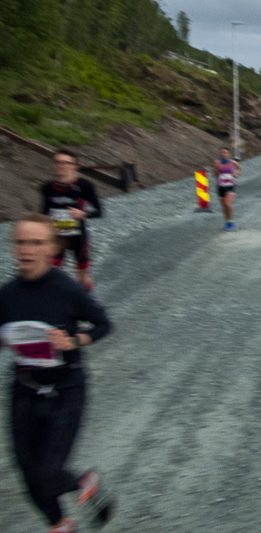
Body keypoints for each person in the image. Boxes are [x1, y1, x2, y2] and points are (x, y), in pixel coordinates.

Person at [0, 214, 114, 532]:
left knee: (48, 474)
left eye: (36, 242)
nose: (27, 249)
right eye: (21, 242)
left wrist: (73, 340)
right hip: (24, 389)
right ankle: (60, 524)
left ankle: (84, 480)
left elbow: (104, 324)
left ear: (52, 248)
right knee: (27, 473)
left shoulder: (66, 289)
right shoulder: (7, 295)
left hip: (66, 390)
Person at [40, 150, 102, 292]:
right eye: (57, 162)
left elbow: (99, 211)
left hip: (78, 238)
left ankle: (86, 305)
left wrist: (83, 214)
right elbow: (43, 212)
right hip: (57, 238)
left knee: (82, 276)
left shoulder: (85, 186)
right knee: (52, 273)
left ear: (74, 166)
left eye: (65, 163)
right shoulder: (47, 188)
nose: (60, 166)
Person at [215, 148, 242, 231]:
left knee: (227, 204)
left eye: (226, 152)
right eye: (223, 152)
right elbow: (214, 174)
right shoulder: (217, 163)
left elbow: (240, 169)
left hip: (231, 185)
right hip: (220, 186)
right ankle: (227, 221)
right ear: (221, 153)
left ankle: (231, 221)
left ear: (228, 154)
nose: (224, 154)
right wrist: (217, 169)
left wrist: (236, 174)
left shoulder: (232, 162)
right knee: (224, 206)